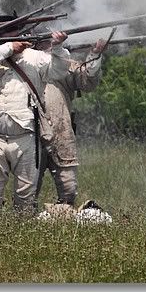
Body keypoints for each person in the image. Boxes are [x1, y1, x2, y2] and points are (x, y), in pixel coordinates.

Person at [0, 14, 69, 213]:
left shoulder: (36, 57)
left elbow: (59, 71)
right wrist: (8, 48)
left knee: (25, 194)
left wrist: (58, 46)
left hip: (25, 135)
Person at [36, 39, 105, 207]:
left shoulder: (66, 64)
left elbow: (87, 80)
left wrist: (95, 53)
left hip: (61, 130)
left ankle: (63, 222)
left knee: (68, 191)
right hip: (31, 132)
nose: (49, 46)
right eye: (46, 42)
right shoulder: (24, 62)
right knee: (27, 190)